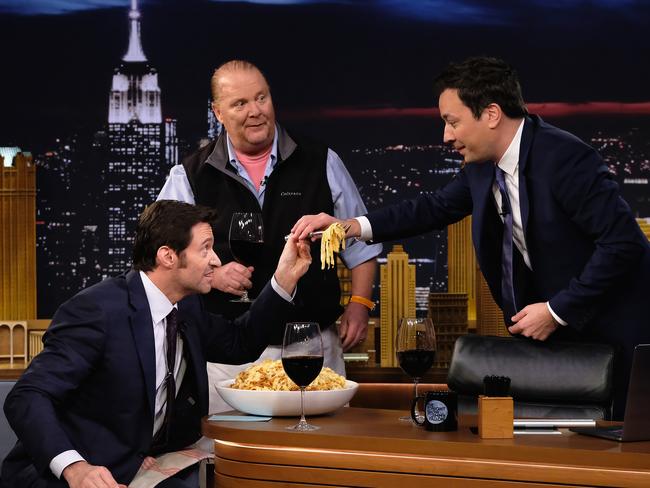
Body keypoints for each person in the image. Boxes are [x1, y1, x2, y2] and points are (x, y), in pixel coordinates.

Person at [292, 56, 650, 420]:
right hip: (558, 343)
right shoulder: (481, 168)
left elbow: (624, 244)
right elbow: (431, 208)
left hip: (616, 336)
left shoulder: (565, 158)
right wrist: (351, 225)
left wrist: (557, 311)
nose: (446, 135)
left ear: (491, 114)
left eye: (452, 121)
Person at [1, 200, 311, 488]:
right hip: (66, 477)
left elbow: (241, 343)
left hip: (139, 464)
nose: (216, 260)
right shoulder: (97, 311)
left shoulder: (186, 307)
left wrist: (284, 277)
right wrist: (76, 468)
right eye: (205, 249)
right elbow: (27, 397)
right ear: (167, 256)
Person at [158, 60, 381, 388]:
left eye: (261, 98)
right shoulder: (188, 176)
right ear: (218, 112)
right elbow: (161, 259)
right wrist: (211, 275)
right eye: (240, 103)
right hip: (226, 356)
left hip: (312, 347)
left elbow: (362, 244)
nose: (255, 111)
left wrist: (360, 304)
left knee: (315, 439)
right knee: (230, 441)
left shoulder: (322, 161)